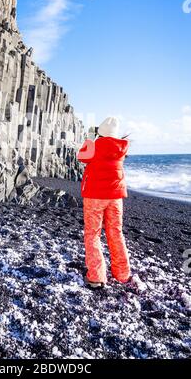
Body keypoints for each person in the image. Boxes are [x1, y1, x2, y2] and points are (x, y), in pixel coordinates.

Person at [78, 117, 131, 289]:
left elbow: (81, 157)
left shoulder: (94, 146)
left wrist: (90, 138)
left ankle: (96, 277)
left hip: (94, 196)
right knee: (115, 232)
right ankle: (122, 274)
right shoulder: (122, 147)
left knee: (93, 234)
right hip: (115, 197)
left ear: (99, 132)